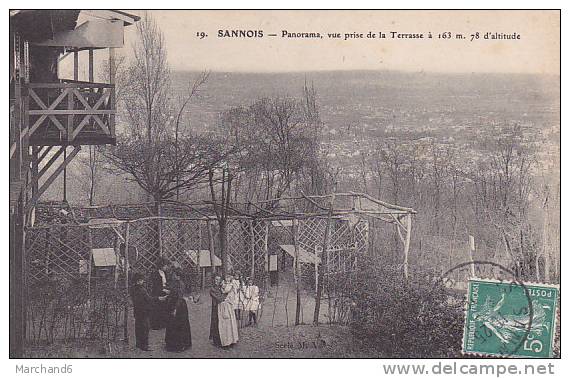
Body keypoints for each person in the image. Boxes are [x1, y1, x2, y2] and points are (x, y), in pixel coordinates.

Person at [130, 272, 167, 351]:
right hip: (144, 311)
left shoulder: (132, 289)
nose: (143, 281)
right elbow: (149, 299)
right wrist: (159, 298)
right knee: (145, 328)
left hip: (137, 310)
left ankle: (138, 344)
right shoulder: (142, 290)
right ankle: (145, 345)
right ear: (138, 281)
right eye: (141, 280)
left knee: (138, 327)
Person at [164, 270, 192, 352]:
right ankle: (172, 344)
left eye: (174, 275)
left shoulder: (180, 284)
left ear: (178, 276)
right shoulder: (175, 283)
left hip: (179, 306)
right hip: (174, 303)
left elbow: (179, 297)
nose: (173, 276)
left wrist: (175, 309)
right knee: (172, 324)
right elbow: (173, 291)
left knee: (179, 325)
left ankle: (180, 345)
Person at [149, 258, 171, 329]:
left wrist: (167, 288)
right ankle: (156, 325)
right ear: (161, 265)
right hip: (157, 293)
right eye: (165, 265)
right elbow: (156, 286)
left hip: (163, 291)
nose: (166, 267)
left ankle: (162, 324)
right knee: (157, 309)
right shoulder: (156, 274)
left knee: (163, 308)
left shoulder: (164, 273)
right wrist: (164, 290)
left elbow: (165, 283)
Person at [219, 276, 240, 347]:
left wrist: (222, 286)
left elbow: (225, 291)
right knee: (227, 322)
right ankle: (228, 340)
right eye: (226, 278)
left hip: (228, 304)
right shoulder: (228, 285)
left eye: (228, 278)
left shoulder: (230, 285)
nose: (227, 279)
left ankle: (231, 340)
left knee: (228, 322)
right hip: (226, 304)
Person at [209, 275, 225, 347]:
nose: (217, 281)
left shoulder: (221, 287)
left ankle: (222, 339)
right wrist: (223, 297)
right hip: (215, 308)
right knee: (215, 323)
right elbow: (219, 298)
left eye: (218, 280)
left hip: (221, 307)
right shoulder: (212, 289)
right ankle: (216, 341)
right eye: (216, 279)